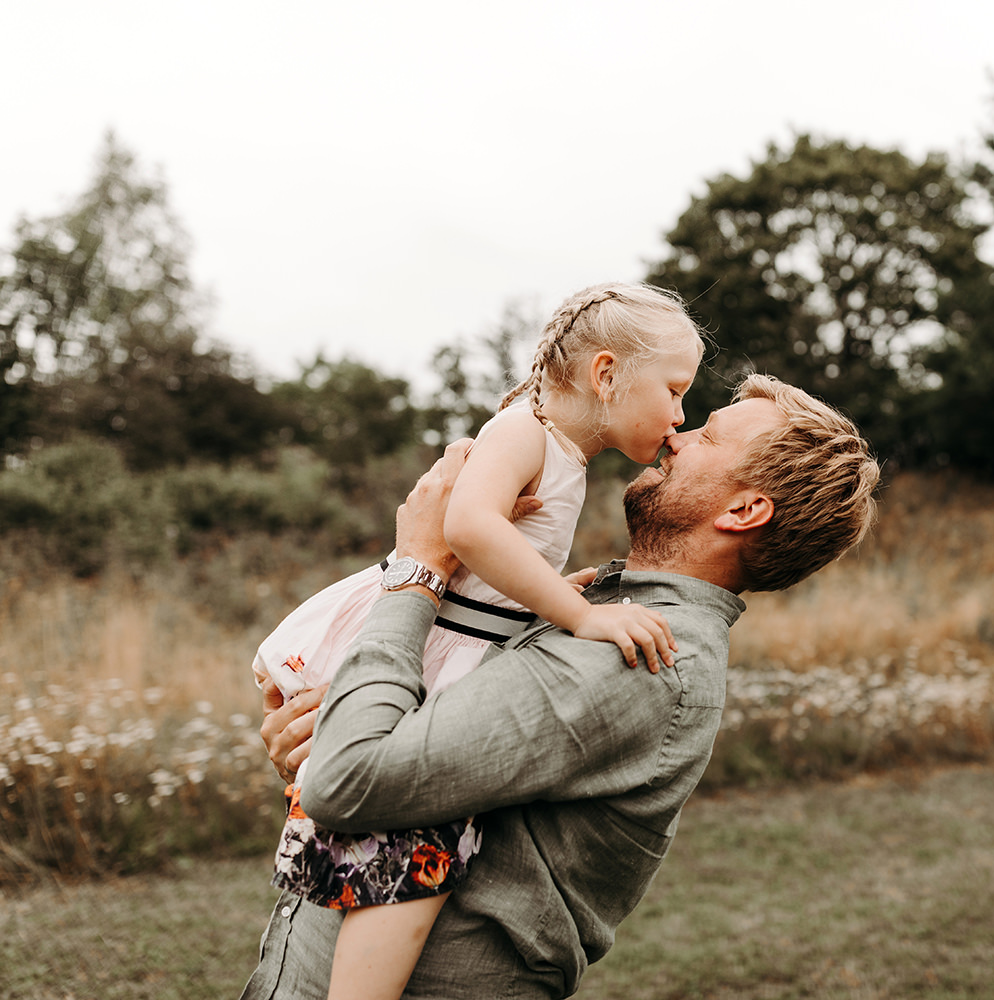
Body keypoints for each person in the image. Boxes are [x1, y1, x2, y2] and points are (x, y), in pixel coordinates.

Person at [240, 373, 879, 999]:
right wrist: (320, 737)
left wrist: (419, 565)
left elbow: (355, 779)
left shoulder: (639, 660)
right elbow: (375, 769)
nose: (678, 434)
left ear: (744, 510)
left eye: (708, 437)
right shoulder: (594, 609)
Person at [250, 282, 703, 1000]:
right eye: (675, 391)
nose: (681, 417)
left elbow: (496, 570)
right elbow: (467, 530)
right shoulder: (524, 430)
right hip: (431, 634)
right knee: (411, 848)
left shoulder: (561, 451)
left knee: (418, 849)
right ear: (607, 373)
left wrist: (553, 599)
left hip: (458, 634)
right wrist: (580, 617)